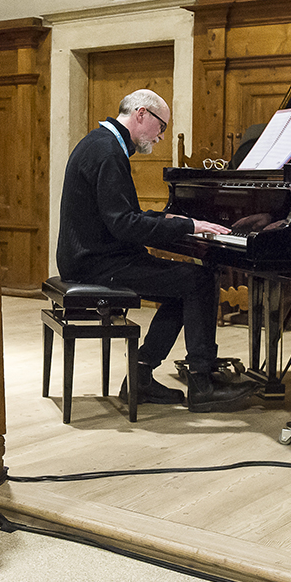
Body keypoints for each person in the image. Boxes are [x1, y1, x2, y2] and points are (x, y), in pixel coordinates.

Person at [56, 89, 257, 412]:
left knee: (187, 283)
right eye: (161, 126)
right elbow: (125, 225)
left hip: (93, 256)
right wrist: (188, 226)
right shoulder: (108, 152)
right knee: (199, 280)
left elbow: (119, 217)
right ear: (141, 114)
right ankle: (202, 385)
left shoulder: (100, 143)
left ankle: (141, 375)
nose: (161, 136)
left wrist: (168, 219)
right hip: (95, 263)